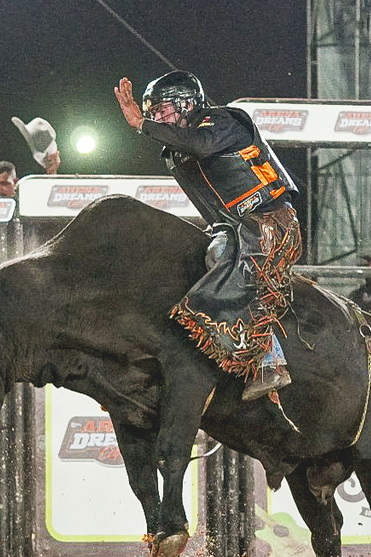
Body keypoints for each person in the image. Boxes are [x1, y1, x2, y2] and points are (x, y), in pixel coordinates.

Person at [114, 70, 300, 401]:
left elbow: (200, 144)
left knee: (228, 263)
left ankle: (270, 362)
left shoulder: (223, 121)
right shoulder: (175, 151)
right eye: (152, 113)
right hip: (233, 228)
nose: (157, 118)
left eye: (161, 110)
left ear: (186, 104)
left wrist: (141, 124)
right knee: (197, 256)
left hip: (271, 220)